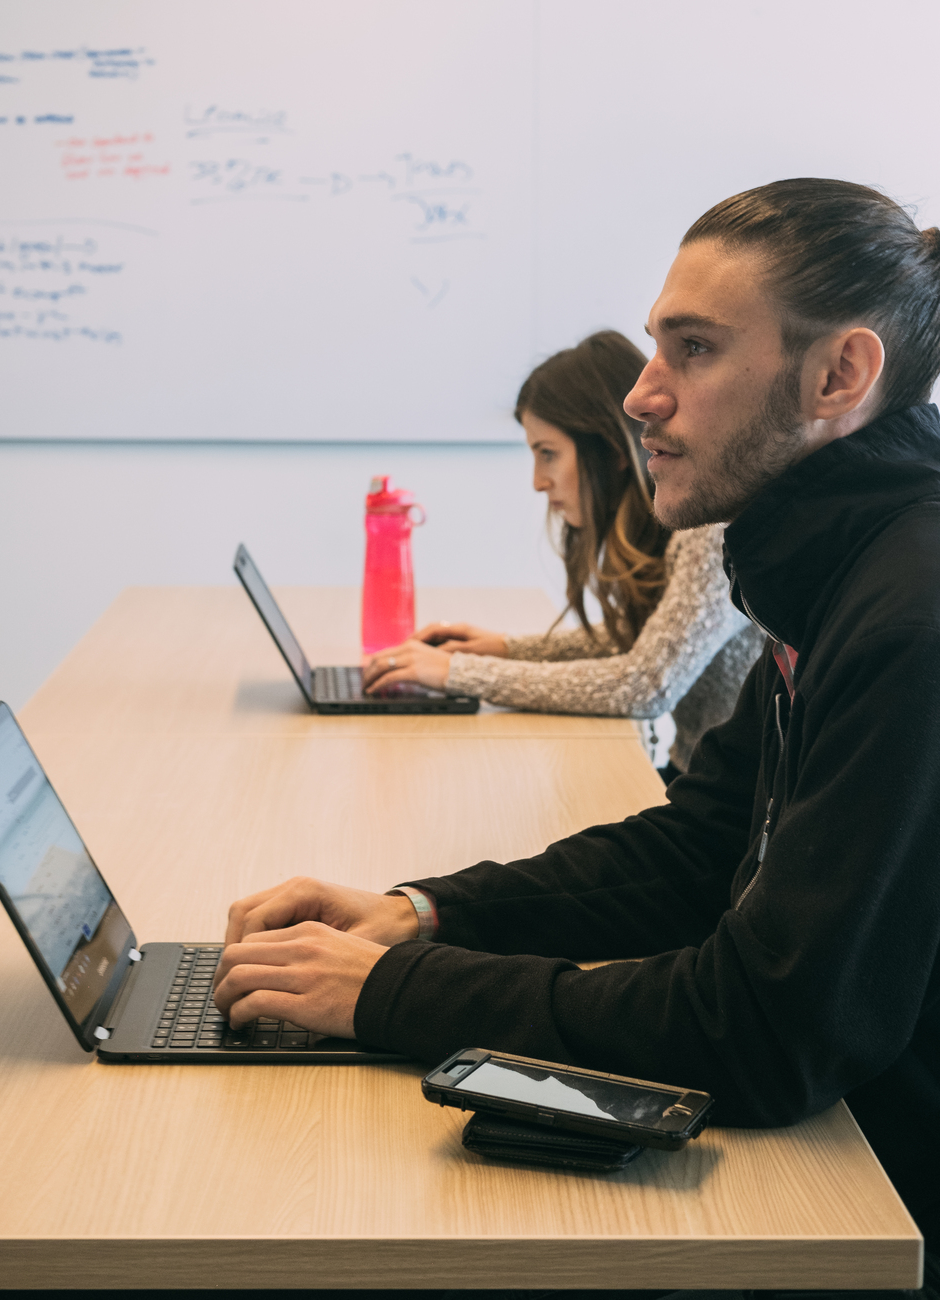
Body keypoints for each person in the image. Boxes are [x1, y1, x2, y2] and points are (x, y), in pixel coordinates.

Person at [213, 178, 940, 1276]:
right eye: (655, 348)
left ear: (837, 376)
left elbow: (764, 1035)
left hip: (889, 1201)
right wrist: (421, 915)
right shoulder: (830, 573)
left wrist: (391, 996)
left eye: (692, 351)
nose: (641, 398)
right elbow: (696, 850)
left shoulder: (908, 619)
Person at [362, 330, 765, 778]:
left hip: (736, 811)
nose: (538, 480)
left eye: (548, 454)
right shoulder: (663, 531)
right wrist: (505, 648)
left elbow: (645, 683)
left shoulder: (707, 531)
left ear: (611, 449)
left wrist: (458, 674)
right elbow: (640, 639)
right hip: (695, 776)